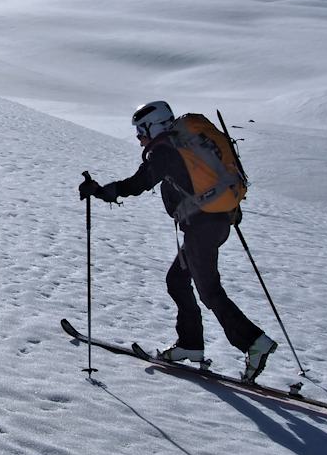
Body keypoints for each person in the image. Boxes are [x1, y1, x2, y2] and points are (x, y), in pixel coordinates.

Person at [79, 100, 277, 382]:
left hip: (202, 227)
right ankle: (190, 345)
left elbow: (139, 183)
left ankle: (253, 342)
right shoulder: (181, 144)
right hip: (215, 222)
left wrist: (101, 191)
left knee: (209, 291)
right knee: (177, 280)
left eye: (141, 131)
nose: (139, 138)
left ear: (153, 126)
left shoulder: (165, 151)